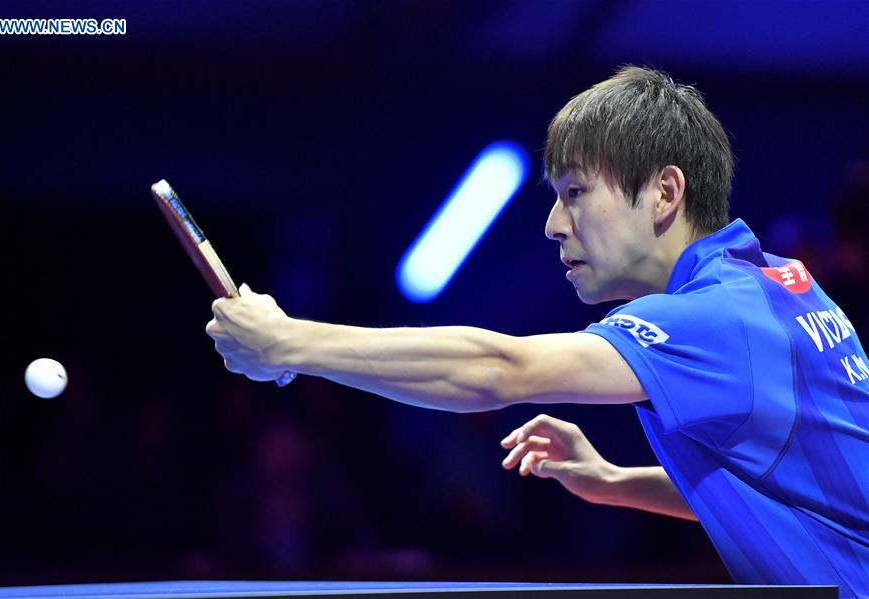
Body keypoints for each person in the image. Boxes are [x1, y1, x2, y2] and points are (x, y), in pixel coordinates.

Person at [206, 66, 869, 595]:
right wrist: (613, 480)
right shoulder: (778, 283)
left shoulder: (714, 316)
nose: (553, 224)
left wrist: (290, 341)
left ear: (664, 194)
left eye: (575, 192)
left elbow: (499, 369)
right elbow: (801, 489)